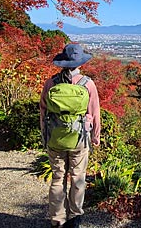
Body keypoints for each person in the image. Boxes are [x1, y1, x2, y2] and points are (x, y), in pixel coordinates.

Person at [40, 43, 101, 228]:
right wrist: (95, 137)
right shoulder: (87, 84)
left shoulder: (51, 83)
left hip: (55, 138)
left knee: (58, 178)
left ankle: (57, 220)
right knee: (78, 177)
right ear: (80, 63)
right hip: (80, 139)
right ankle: (75, 219)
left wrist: (45, 137)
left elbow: (43, 113)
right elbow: (95, 112)